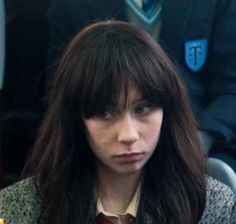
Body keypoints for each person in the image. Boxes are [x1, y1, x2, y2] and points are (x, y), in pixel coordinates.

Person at [0, 20, 235, 224]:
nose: (128, 135)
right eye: (105, 113)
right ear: (75, 119)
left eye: (142, 110)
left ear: (168, 111)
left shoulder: (213, 209)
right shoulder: (16, 213)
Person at [47, 0, 236, 171]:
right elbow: (63, 92)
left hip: (202, 141)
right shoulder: (71, 5)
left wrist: (197, 139)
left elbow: (231, 86)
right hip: (104, 151)